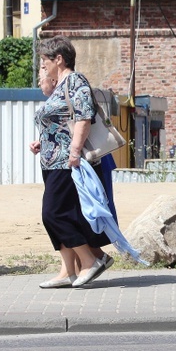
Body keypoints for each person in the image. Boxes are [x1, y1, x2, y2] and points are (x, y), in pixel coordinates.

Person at [30, 36, 115, 288]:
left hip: (66, 162)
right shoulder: (62, 85)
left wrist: (75, 151)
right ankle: (67, 270)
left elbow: (83, 117)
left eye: (46, 61)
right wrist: (41, 142)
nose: (43, 66)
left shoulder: (75, 80)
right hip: (53, 160)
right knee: (63, 213)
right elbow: (59, 123)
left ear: (59, 59)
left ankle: (90, 261)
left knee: (53, 214)